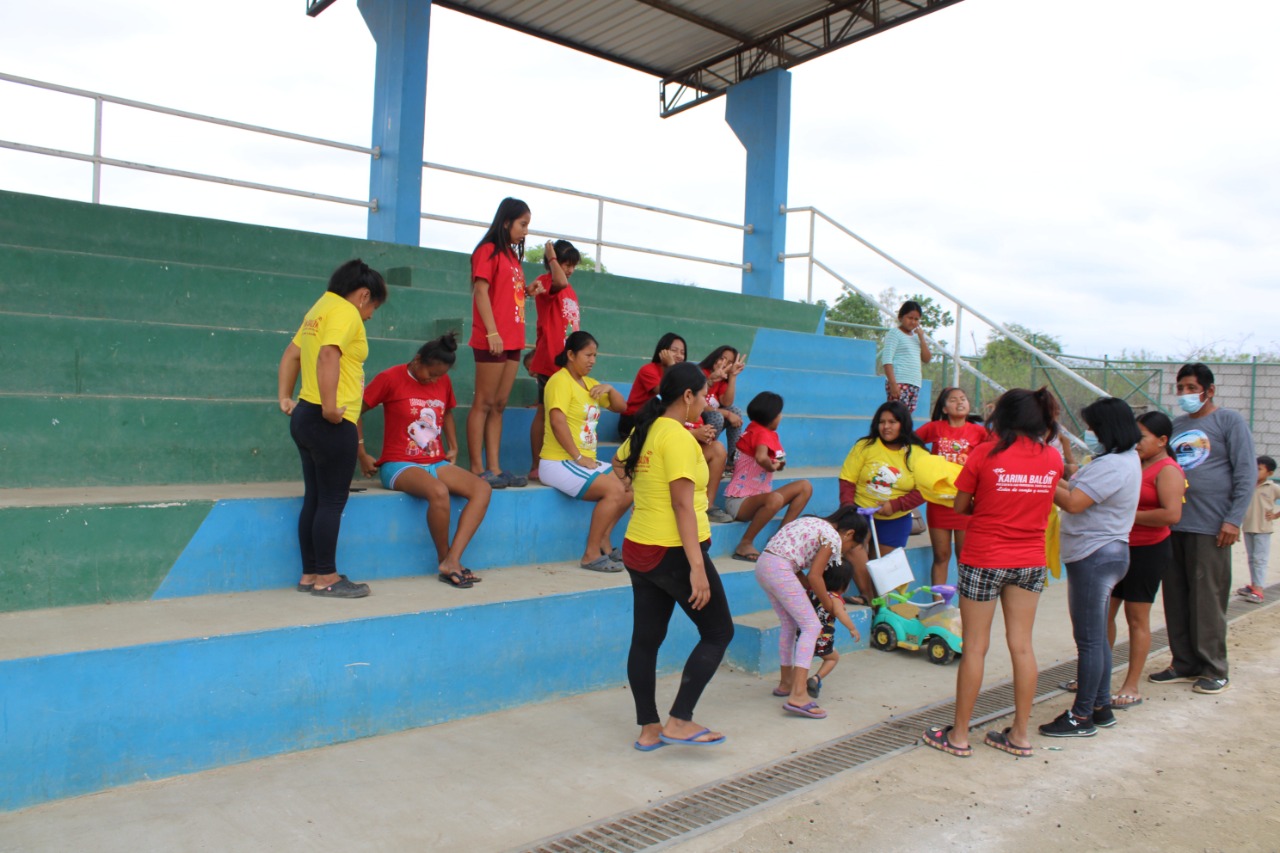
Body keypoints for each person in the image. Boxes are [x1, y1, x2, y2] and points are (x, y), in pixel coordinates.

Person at [922, 388, 1062, 758]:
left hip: (984, 558)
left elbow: (961, 505)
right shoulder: (1052, 458)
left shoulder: (984, 454)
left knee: (975, 647)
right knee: (1022, 646)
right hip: (1030, 561)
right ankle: (1019, 735)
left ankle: (959, 736)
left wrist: (989, 503)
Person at [614, 361, 734, 750]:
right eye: (703, 396)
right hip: (673, 551)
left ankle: (649, 729)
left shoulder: (646, 430)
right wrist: (697, 567)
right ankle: (680, 720)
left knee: (646, 640)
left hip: (639, 547)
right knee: (718, 632)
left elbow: (619, 462)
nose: (705, 403)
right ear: (687, 396)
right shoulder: (679, 439)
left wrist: (640, 493)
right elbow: (683, 505)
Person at [276, 259, 387, 599]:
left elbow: (292, 353)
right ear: (363, 295)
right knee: (331, 502)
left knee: (316, 497)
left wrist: (284, 396)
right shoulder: (346, 312)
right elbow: (328, 355)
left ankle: (310, 574)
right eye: (373, 306)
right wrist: (329, 406)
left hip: (304, 415)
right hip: (330, 419)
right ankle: (327, 577)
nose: (370, 315)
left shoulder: (320, 307)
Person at [356, 332, 492, 589]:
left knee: (482, 489)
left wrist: (453, 445)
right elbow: (355, 411)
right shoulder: (390, 378)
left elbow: (447, 412)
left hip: (435, 461)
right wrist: (361, 453)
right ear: (417, 360)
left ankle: (453, 559)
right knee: (438, 492)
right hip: (399, 464)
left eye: (440, 375)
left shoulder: (443, 380)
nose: (434, 380)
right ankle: (444, 559)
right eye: (431, 373)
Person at [1041, 397, 1141, 738]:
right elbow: (1075, 488)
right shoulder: (1120, 459)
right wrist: (1050, 477)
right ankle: (1100, 707)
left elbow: (1073, 502)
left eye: (1093, 428)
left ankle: (1081, 715)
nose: (1089, 433)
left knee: (1088, 641)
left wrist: (1038, 477)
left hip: (1095, 555)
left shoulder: (1114, 465)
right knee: (1096, 638)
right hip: (1103, 552)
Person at [1154, 363, 1255, 695]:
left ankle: (1214, 667)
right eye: (1180, 388)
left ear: (1209, 391)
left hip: (1210, 527)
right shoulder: (1177, 426)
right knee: (1176, 597)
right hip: (1174, 525)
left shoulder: (1229, 422)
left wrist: (1233, 519)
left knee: (1207, 598)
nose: (1185, 394)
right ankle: (1183, 662)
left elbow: (1245, 473)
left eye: (1191, 388)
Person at [839, 400, 962, 600]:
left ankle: (878, 604)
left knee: (884, 566)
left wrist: (895, 505)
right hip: (860, 512)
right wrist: (849, 509)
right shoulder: (865, 446)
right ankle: (869, 597)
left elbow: (924, 490)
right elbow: (847, 480)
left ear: (903, 424)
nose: (886, 427)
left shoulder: (918, 454)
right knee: (854, 546)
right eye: (882, 422)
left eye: (892, 422)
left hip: (895, 519)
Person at [1102, 410, 1185, 708]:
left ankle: (1131, 684)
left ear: (1162, 440)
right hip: (1119, 546)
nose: (1136, 442)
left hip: (1148, 551)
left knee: (1137, 618)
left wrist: (1127, 515)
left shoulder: (1168, 470)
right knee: (1103, 615)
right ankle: (1097, 677)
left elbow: (1171, 514)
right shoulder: (1132, 463)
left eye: (1143, 437)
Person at [756, 508, 869, 718]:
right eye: (851, 547)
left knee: (789, 624)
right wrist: (828, 604)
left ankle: (786, 683)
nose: (845, 552)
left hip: (764, 565)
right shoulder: (832, 537)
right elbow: (815, 576)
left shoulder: (810, 522)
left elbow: (797, 566)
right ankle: (798, 695)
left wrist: (811, 591)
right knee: (812, 626)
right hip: (780, 570)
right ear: (849, 534)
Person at [540, 331, 633, 573]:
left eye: (595, 356)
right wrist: (578, 457)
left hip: (582, 461)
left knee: (632, 483)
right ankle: (590, 555)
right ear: (571, 355)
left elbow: (622, 407)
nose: (592, 360)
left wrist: (609, 389)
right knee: (615, 489)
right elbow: (557, 422)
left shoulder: (591, 384)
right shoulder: (559, 381)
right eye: (588, 355)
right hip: (559, 461)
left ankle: (604, 539)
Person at [467, 197, 534, 490]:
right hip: (492, 338)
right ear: (506, 222)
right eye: (522, 224)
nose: (525, 231)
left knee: (499, 404)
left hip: (513, 339)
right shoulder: (487, 250)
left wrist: (527, 291)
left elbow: (507, 293)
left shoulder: (512, 257)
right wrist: (492, 332)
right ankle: (477, 468)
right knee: (483, 402)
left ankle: (494, 467)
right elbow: (481, 292)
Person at [915, 387, 991, 586]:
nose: (960, 402)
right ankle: (939, 602)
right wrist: (924, 464)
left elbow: (995, 452)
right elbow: (911, 442)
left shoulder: (979, 431)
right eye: (954, 400)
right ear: (944, 408)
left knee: (964, 556)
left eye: (963, 398)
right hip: (939, 501)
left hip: (965, 500)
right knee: (941, 555)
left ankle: (966, 598)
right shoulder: (934, 428)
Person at [724, 392, 812, 561]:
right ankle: (745, 543)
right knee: (775, 499)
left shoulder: (768, 434)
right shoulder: (759, 432)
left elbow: (779, 458)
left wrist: (779, 463)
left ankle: (780, 539)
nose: (781, 417)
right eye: (779, 413)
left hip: (759, 498)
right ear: (771, 416)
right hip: (740, 502)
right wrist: (772, 466)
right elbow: (761, 457)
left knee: (804, 487)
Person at [527, 239, 582, 482]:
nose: (570, 270)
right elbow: (559, 281)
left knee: (563, 413)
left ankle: (559, 462)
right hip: (550, 359)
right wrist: (551, 258)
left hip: (569, 362)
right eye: (566, 264)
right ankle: (536, 465)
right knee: (544, 412)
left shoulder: (570, 289)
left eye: (573, 266)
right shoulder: (546, 281)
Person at [802, 558, 864, 700]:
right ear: (844, 584)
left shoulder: (812, 591)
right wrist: (852, 628)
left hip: (803, 633)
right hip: (821, 637)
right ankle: (816, 679)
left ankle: (795, 683)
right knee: (832, 658)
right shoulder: (835, 598)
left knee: (803, 660)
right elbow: (840, 613)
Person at [617, 332, 686, 440]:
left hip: (656, 420)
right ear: (662, 351)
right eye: (674, 350)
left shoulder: (681, 375)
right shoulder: (648, 370)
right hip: (634, 421)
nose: (679, 356)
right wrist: (672, 366)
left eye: (682, 352)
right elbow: (667, 393)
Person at [1238, 455, 1280, 603]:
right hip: (1248, 527)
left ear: (1270, 473)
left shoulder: (1272, 487)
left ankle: (1259, 590)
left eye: (1259, 469)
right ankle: (1254, 585)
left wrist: (1275, 515)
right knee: (1251, 558)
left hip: (1263, 529)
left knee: (1260, 559)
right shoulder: (1248, 485)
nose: (1255, 472)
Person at [697, 345, 746, 467]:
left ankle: (732, 463)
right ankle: (706, 456)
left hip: (710, 420)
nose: (724, 364)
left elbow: (727, 403)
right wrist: (726, 414)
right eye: (722, 358)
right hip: (696, 418)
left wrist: (732, 376)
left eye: (730, 363)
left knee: (736, 412)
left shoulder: (723, 380)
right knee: (718, 416)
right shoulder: (700, 373)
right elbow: (697, 403)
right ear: (714, 357)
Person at [881, 300, 932, 413]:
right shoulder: (894, 333)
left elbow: (926, 358)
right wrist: (893, 384)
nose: (913, 322)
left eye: (916, 319)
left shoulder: (916, 337)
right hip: (899, 381)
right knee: (897, 414)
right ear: (900, 317)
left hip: (914, 382)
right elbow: (887, 360)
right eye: (910, 318)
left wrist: (922, 338)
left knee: (907, 416)